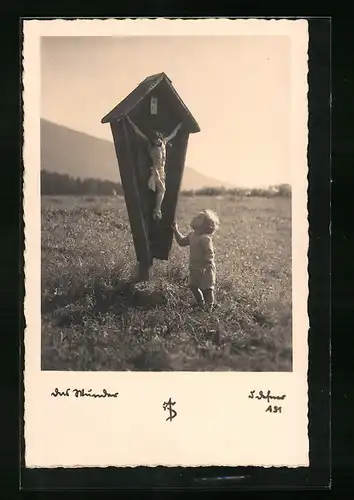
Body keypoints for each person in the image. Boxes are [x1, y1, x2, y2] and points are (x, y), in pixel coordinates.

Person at [126, 115, 182, 220]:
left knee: (161, 191)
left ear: (159, 137)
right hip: (155, 170)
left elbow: (173, 134)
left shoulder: (164, 142)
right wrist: (129, 122)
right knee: (162, 190)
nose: (156, 141)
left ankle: (156, 211)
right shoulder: (150, 145)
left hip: (162, 170)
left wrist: (179, 126)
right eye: (154, 140)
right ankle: (157, 211)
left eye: (157, 139)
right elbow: (138, 132)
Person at [172, 209, 220, 311]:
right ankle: (200, 304)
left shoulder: (205, 238)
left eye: (199, 218)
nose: (195, 218)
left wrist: (207, 263)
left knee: (208, 289)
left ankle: (209, 308)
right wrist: (176, 230)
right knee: (193, 286)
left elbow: (209, 253)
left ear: (205, 225)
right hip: (194, 267)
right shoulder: (192, 235)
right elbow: (181, 242)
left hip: (206, 268)